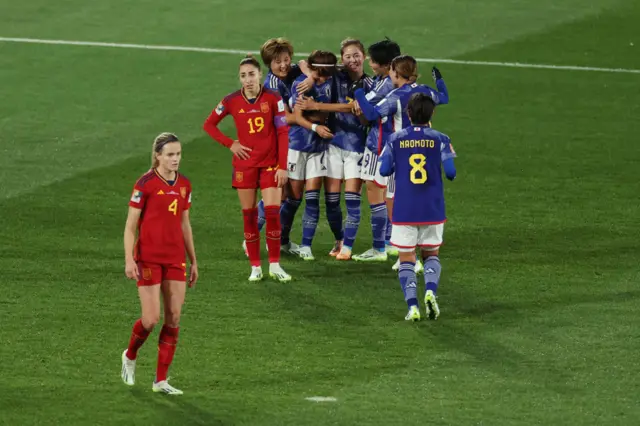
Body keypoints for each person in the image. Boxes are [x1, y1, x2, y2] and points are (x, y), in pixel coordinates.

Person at [353, 55, 449, 271]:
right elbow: (444, 97)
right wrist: (440, 80)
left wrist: (358, 93)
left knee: (394, 204)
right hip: (424, 153)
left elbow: (370, 114)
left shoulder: (395, 97)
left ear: (395, 74)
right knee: (410, 201)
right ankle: (417, 253)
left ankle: (409, 256)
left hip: (400, 154)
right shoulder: (426, 91)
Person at [121, 132, 198, 395]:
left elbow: (185, 224)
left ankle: (160, 380)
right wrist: (129, 259)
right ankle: (130, 355)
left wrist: (194, 260)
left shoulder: (185, 184)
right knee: (151, 318)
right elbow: (131, 226)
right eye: (170, 155)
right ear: (158, 156)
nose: (175, 159)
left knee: (174, 318)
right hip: (149, 258)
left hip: (175, 258)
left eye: (178, 154)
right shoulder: (145, 184)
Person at [203, 55, 291, 282]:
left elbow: (282, 132)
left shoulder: (273, 98)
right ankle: (255, 267)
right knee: (249, 216)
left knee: (272, 215)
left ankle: (274, 265)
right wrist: (230, 143)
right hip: (245, 166)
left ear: (260, 75)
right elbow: (209, 125)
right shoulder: (231, 100)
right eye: (243, 76)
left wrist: (282, 166)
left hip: (271, 164)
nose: (247, 80)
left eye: (251, 74)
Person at [379, 93, 457, 321]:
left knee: (407, 259)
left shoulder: (394, 139)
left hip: (404, 208)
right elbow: (451, 173)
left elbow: (384, 171)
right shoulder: (441, 138)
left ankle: (412, 306)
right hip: (432, 207)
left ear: (408, 114)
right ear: (432, 113)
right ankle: (431, 291)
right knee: (431, 254)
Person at [296, 38, 374, 260]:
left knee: (351, 199)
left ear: (364, 56)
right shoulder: (337, 73)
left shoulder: (369, 84)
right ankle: (339, 239)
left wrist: (318, 106)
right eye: (348, 56)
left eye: (356, 55)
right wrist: (311, 77)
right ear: (342, 59)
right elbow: (304, 62)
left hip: (357, 148)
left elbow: (361, 115)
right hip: (333, 145)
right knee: (331, 200)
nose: (352, 60)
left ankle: (348, 247)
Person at [279, 50, 336, 260]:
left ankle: (306, 246)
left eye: (324, 75)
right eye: (319, 74)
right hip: (297, 145)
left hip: (318, 148)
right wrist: (316, 127)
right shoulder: (301, 84)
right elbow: (297, 117)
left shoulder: (330, 80)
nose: (323, 79)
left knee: (312, 199)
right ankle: (278, 239)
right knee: (292, 199)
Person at [350, 38, 401, 263]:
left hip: (379, 144)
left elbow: (367, 108)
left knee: (375, 191)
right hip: (393, 144)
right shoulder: (389, 80)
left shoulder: (387, 84)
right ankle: (391, 242)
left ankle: (379, 247)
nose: (369, 62)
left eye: (373, 59)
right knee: (389, 194)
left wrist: (357, 97)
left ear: (384, 63)